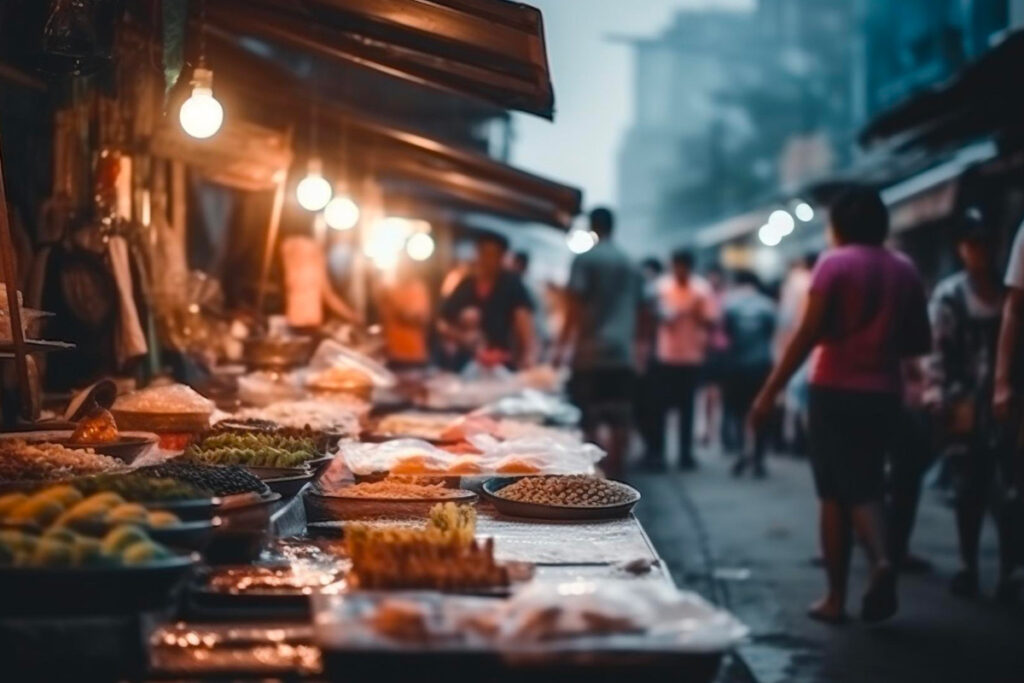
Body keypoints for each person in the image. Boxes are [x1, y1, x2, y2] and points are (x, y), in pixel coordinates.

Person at [751, 187, 931, 624]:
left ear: (839, 226)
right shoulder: (904, 268)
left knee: (837, 492)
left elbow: (807, 334)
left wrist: (769, 391)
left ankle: (849, 587)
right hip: (884, 392)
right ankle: (876, 564)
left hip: (833, 390)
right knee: (866, 478)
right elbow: (918, 341)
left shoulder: (834, 264)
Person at [925, 211, 1015, 600]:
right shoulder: (949, 295)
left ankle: (1010, 569)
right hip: (962, 403)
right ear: (962, 249)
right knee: (968, 488)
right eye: (973, 243)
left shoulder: (1009, 291)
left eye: (987, 243)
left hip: (1008, 404)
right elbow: (936, 351)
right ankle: (968, 563)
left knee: (1009, 490)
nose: (981, 252)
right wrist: (936, 392)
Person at [554, 208, 643, 479]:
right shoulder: (630, 262)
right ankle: (619, 471)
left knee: (590, 416)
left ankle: (595, 475)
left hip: (590, 352)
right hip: (622, 352)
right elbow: (642, 309)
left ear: (593, 227)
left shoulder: (585, 260)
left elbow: (574, 307)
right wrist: (639, 347)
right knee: (620, 415)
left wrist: (561, 346)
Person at [648, 249, 716, 471]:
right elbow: (652, 314)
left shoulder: (701, 289)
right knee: (660, 407)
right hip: (666, 355)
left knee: (687, 408)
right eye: (676, 266)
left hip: (691, 356)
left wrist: (694, 314)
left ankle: (685, 454)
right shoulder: (662, 287)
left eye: (683, 267)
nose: (679, 271)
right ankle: (659, 453)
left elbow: (711, 320)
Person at [439, 232, 535, 370]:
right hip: (464, 364)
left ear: (502, 257)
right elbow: (442, 322)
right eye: (484, 253)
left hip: (500, 364)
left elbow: (524, 321)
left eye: (494, 254)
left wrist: (527, 356)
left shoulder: (512, 285)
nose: (488, 259)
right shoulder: (466, 284)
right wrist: (461, 337)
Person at [721, 270, 776, 478]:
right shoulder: (767, 305)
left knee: (738, 412)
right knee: (761, 410)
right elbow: (770, 333)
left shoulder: (730, 304)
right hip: (761, 365)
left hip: (736, 365)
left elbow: (727, 333)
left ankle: (743, 451)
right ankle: (759, 457)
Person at [376, 257, 431, 372]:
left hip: (413, 356)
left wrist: (392, 300)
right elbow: (382, 319)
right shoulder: (390, 288)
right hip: (392, 355)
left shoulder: (417, 288)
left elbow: (416, 318)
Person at [635, 258, 665, 462]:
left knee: (650, 409)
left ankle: (654, 452)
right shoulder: (653, 297)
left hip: (651, 360)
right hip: (650, 359)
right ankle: (652, 450)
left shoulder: (654, 297)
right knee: (646, 409)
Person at [510, 250, 550, 359]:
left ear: (518, 264)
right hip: (539, 333)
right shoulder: (532, 284)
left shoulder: (522, 285)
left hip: (534, 335)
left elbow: (527, 316)